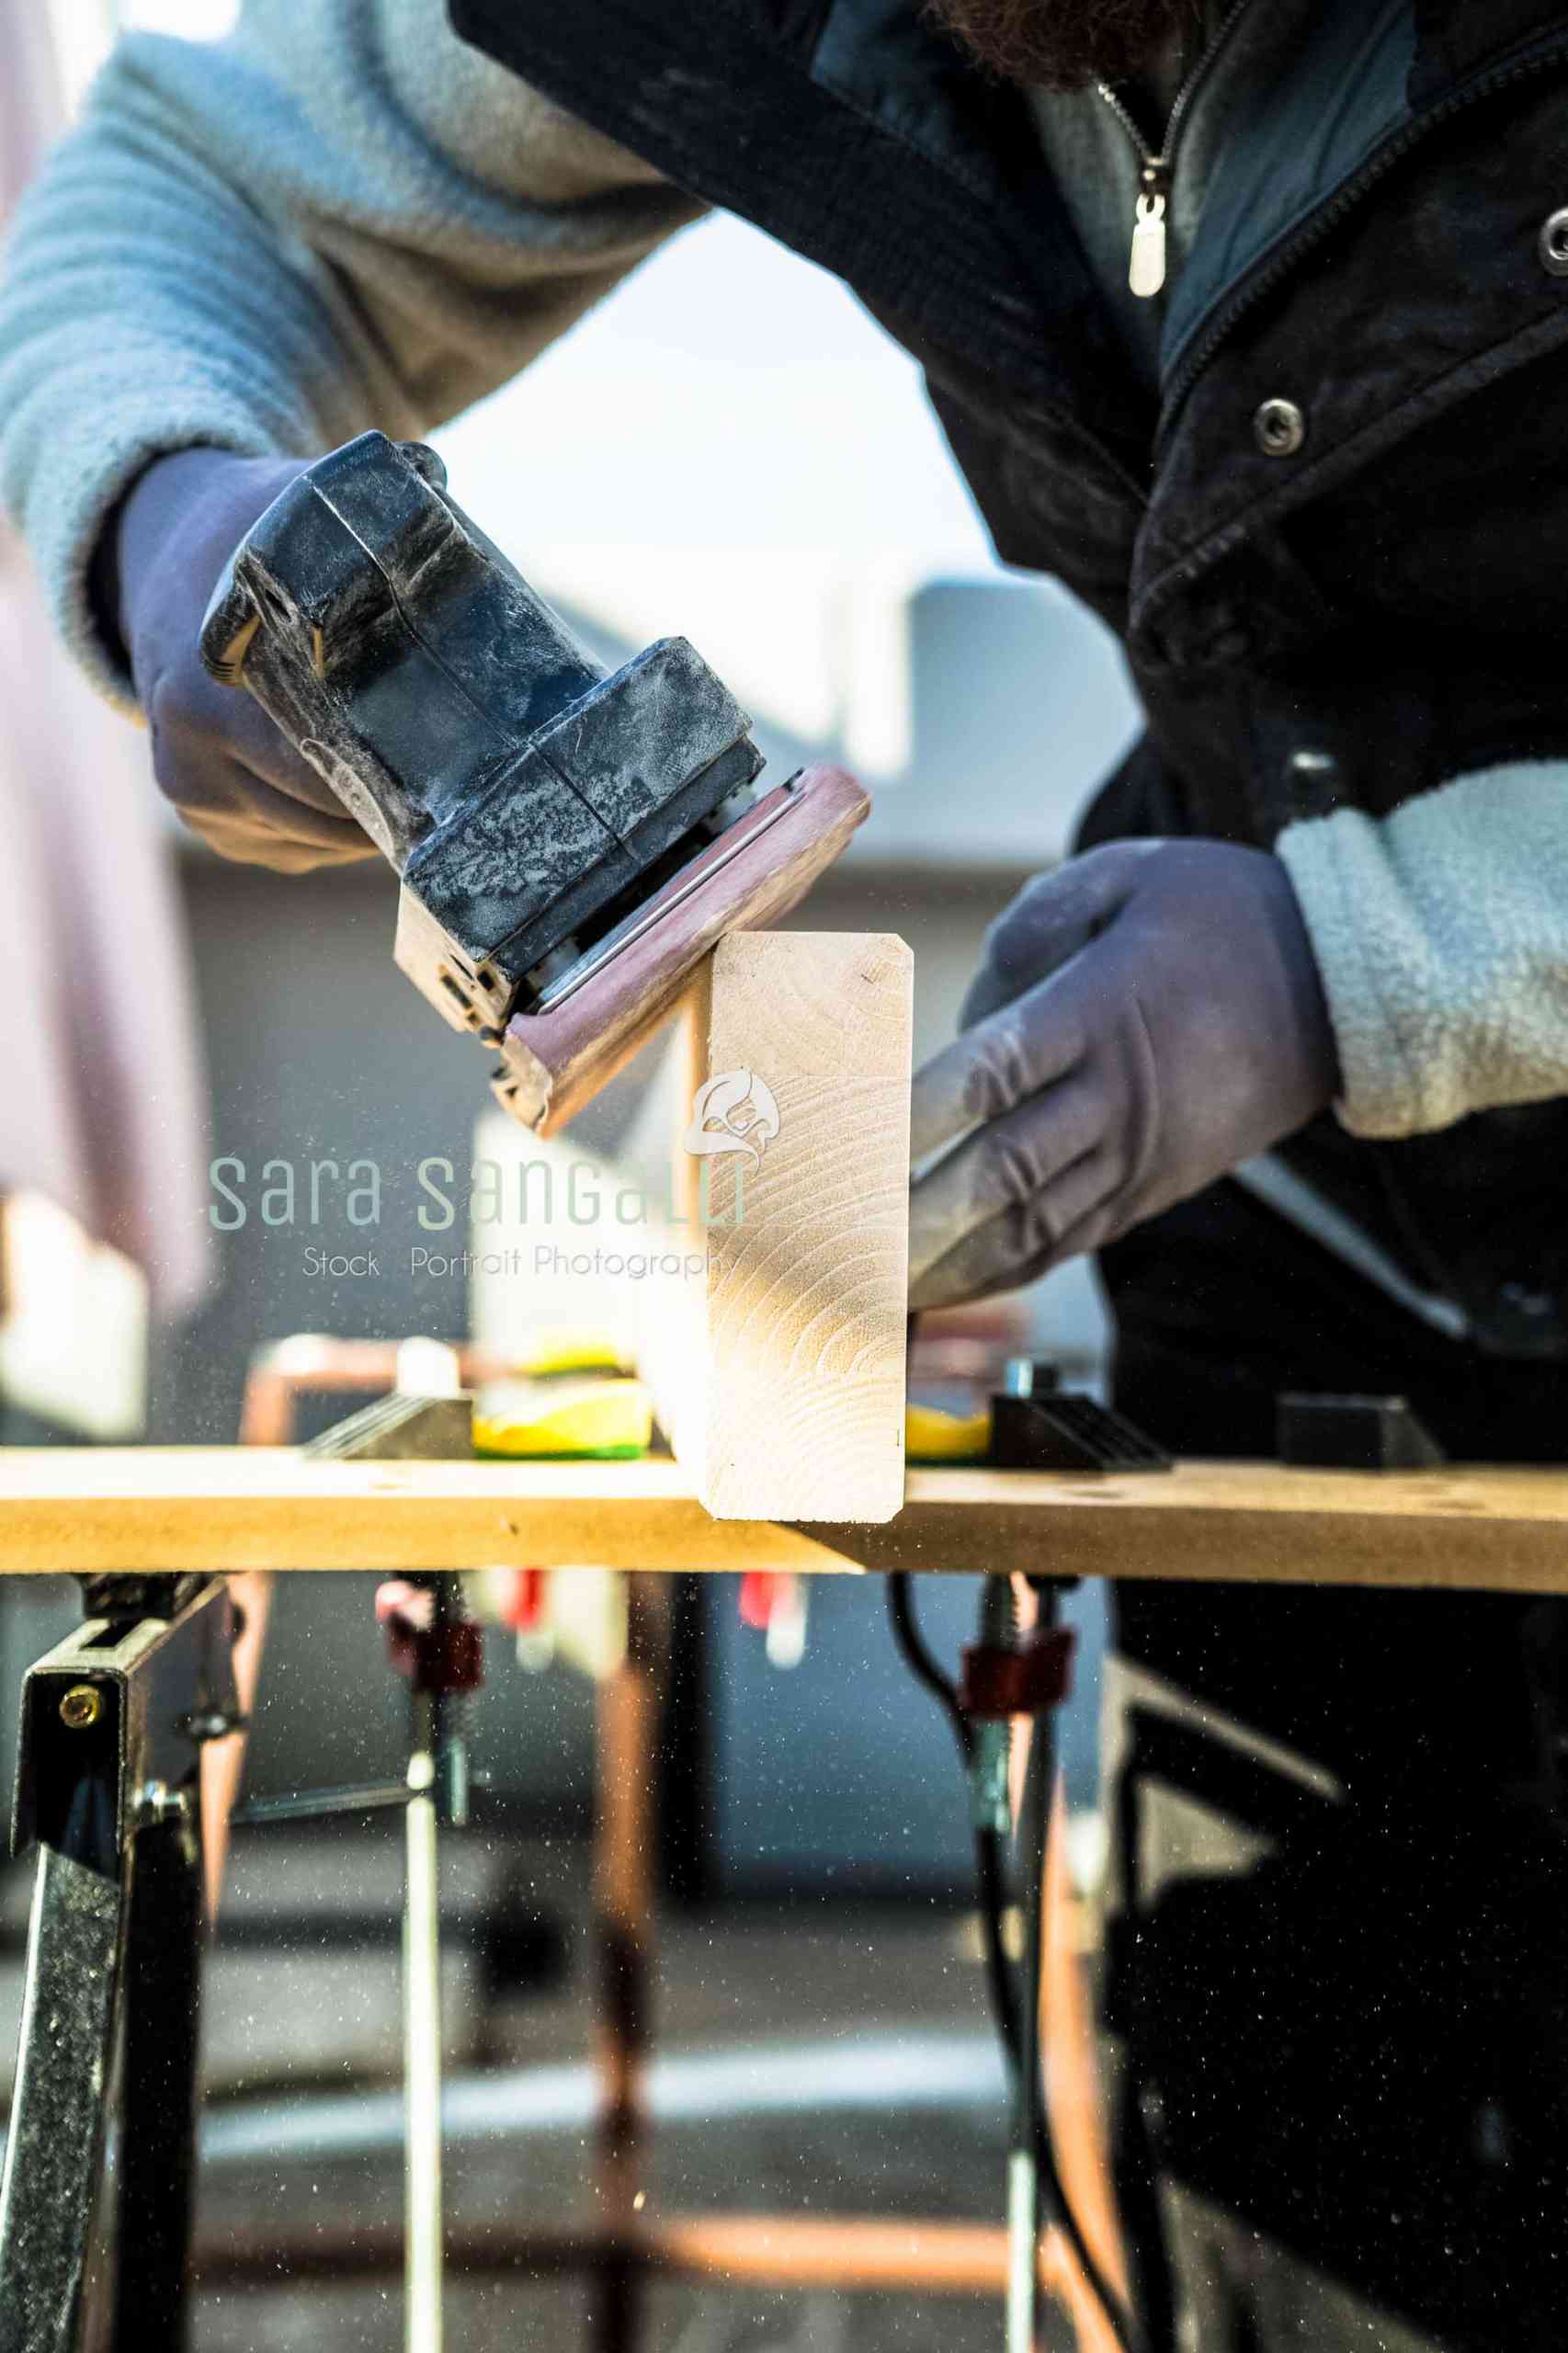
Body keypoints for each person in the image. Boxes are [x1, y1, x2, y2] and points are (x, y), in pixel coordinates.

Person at [5, 1, 1568, 2342]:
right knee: (1311, 2213)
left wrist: (1384, 947)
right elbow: (179, 200)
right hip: (1308, 1239)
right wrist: (172, 513)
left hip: (1325, 1014)